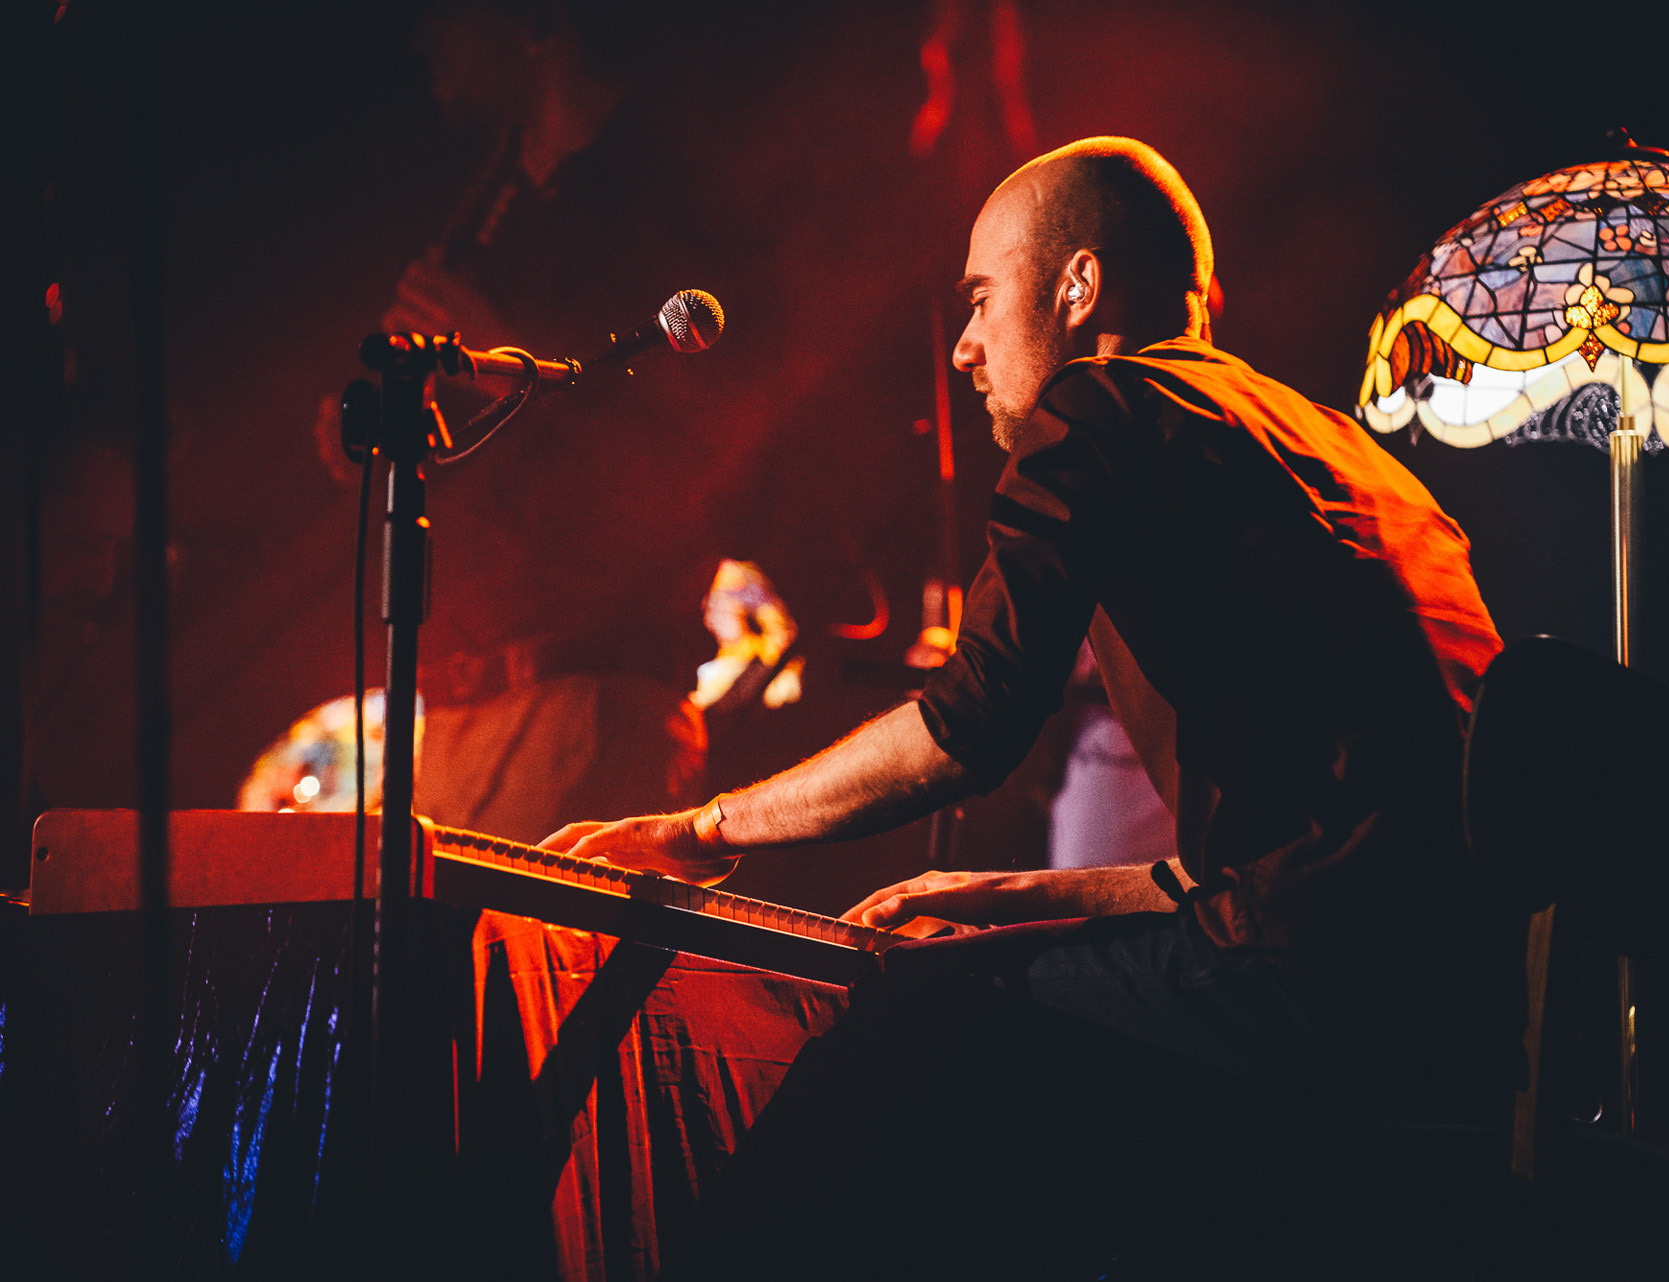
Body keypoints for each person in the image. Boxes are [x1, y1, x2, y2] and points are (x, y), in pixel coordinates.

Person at [541, 136, 1523, 1276]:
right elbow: (1318, 848)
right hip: (1460, 1017)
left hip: (1314, 997)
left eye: (979, 299)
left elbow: (971, 724)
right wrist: (1009, 894)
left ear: (1078, 286)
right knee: (966, 986)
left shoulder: (1099, 407)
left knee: (900, 1031)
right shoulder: (1333, 445)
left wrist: (701, 830)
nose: (963, 347)